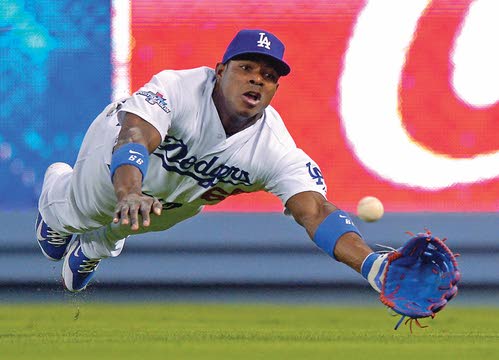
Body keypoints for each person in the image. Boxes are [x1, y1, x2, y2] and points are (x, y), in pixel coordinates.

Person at [36, 29, 386, 293]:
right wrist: (129, 191)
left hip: (173, 200)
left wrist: (372, 265)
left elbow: (316, 211)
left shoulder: (273, 147)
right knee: (83, 213)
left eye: (268, 76)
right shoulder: (178, 88)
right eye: (246, 67)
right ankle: (58, 202)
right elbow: (134, 137)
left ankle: (97, 245)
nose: (256, 79)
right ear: (220, 70)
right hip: (115, 160)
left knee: (149, 217)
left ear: (275, 89)